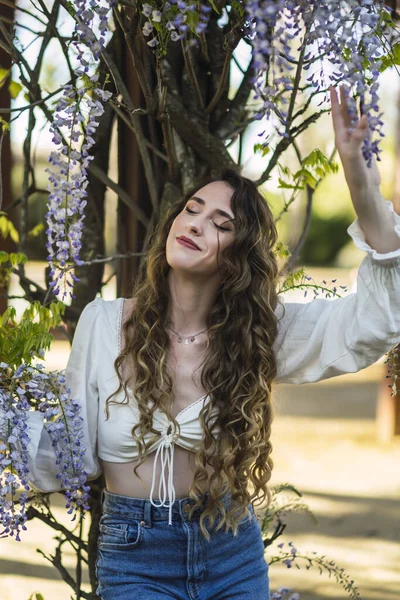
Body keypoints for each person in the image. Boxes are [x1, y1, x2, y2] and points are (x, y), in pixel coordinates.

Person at [7, 85, 400, 599]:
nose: (194, 224)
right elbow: (73, 456)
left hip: (230, 551)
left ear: (238, 258)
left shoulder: (260, 334)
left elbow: (374, 322)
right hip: (134, 555)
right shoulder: (104, 324)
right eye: (192, 209)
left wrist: (361, 183)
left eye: (221, 224)